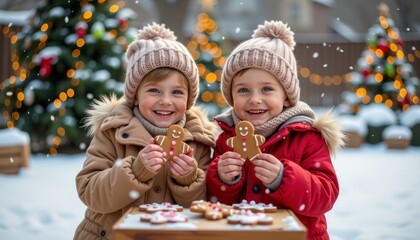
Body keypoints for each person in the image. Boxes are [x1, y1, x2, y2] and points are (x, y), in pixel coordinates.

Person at [74, 23, 216, 240]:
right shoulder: (113, 132)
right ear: (135, 96)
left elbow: (203, 206)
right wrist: (135, 172)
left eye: (177, 92)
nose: (166, 101)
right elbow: (90, 191)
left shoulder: (198, 141)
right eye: (154, 90)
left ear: (188, 99)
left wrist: (188, 180)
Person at [206, 20, 345, 240]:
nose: (255, 99)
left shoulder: (306, 137)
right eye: (243, 90)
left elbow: (325, 196)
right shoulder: (227, 139)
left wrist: (284, 177)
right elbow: (216, 203)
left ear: (286, 96)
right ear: (231, 97)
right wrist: (223, 179)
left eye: (267, 89)